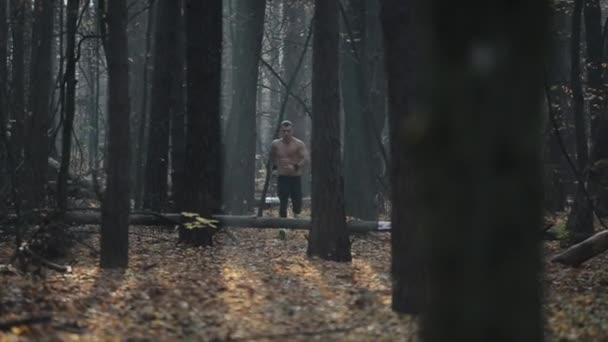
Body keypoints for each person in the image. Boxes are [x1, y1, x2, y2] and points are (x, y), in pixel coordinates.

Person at [270, 120, 309, 218]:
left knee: (297, 204)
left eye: (288, 131)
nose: (286, 133)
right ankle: (282, 225)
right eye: (284, 131)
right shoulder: (275, 144)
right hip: (282, 177)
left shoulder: (298, 144)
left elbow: (305, 158)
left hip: (295, 177)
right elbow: (273, 157)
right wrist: (274, 169)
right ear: (280, 131)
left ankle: (296, 216)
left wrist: (295, 166)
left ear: (292, 131)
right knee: (283, 202)